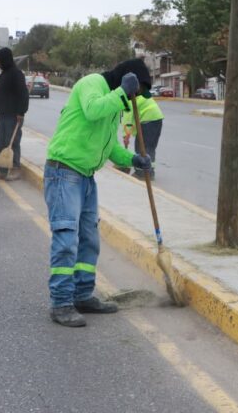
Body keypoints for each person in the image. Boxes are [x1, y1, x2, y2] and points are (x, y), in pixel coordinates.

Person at [44, 59, 152, 327]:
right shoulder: (91, 84)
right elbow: (92, 110)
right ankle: (61, 303)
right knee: (67, 238)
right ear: (126, 81)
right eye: (136, 92)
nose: (135, 98)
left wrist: (133, 159)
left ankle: (82, 295)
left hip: (86, 177)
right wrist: (120, 93)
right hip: (64, 171)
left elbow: (110, 146)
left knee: (89, 239)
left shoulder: (116, 104)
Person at [0, 47, 29, 181]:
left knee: (12, 143)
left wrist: (21, 112)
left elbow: (23, 94)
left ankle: (16, 169)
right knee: (1, 143)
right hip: (4, 115)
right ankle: (2, 170)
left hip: (14, 116)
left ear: (4, 59)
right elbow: (1, 91)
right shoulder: (4, 73)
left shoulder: (16, 74)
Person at [121, 85, 164, 180]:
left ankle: (142, 173)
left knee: (141, 148)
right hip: (157, 119)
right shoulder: (136, 93)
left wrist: (126, 136)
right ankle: (149, 172)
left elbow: (128, 118)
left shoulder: (126, 99)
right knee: (149, 147)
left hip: (148, 120)